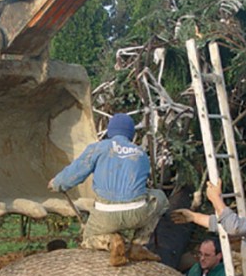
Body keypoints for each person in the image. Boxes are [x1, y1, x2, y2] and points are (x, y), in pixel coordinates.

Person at [48, 113, 168, 266]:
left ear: (109, 132)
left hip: (105, 215)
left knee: (88, 240)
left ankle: (111, 242)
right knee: (160, 198)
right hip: (137, 213)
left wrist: (57, 183)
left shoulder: (98, 148)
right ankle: (138, 243)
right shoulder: (141, 153)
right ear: (131, 134)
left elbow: (75, 173)